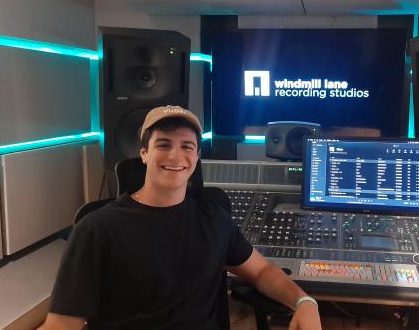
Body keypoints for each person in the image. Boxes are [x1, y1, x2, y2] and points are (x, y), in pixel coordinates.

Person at [39, 105, 322, 330]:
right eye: (163, 145)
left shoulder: (214, 218)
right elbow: (62, 324)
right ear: (144, 155)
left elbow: (261, 271)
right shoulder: (97, 229)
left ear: (197, 157)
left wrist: (305, 301)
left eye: (186, 146)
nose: (176, 155)